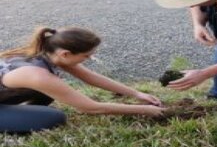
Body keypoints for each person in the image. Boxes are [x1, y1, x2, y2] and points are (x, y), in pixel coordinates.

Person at [0, 27, 165, 133]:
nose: (90, 58)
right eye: (86, 56)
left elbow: (91, 77)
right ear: (65, 53)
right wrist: (144, 110)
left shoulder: (48, 53)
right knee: (53, 117)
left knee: (55, 90)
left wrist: (137, 93)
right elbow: (92, 108)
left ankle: (16, 113)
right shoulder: (37, 75)